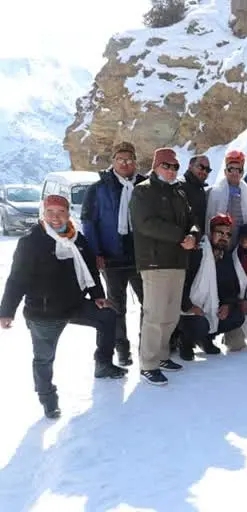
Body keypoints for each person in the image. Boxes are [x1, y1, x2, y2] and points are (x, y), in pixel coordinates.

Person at [0, 195, 127, 418]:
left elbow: (90, 270)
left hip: (74, 304)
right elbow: (17, 279)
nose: (55, 218)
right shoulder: (32, 241)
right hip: (44, 311)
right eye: (50, 212)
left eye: (61, 212)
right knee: (44, 358)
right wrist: (7, 311)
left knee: (107, 316)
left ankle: (103, 364)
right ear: (43, 213)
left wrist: (97, 295)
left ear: (68, 214)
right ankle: (48, 399)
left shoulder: (78, 239)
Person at [130, 148, 200, 386]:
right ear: (156, 166)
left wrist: (193, 236)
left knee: (170, 315)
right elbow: (145, 224)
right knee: (154, 314)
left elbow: (193, 222)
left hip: (178, 261)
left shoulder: (179, 192)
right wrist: (182, 235)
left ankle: (161, 356)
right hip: (155, 261)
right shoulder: (142, 191)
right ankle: (148, 364)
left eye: (174, 167)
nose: (171, 171)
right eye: (166, 166)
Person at [81, 141, 147, 367]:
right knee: (116, 307)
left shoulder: (143, 185)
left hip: (141, 257)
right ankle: (122, 350)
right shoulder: (99, 188)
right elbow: (89, 222)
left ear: (135, 161)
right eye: (121, 159)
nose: (125, 163)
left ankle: (146, 347)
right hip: (111, 257)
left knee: (148, 305)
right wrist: (95, 253)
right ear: (113, 161)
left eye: (129, 159)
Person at [177, 214, 245, 360]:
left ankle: (206, 338)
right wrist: (189, 306)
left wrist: (227, 304)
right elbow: (179, 283)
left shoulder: (225, 257)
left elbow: (232, 287)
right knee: (200, 324)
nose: (224, 237)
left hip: (211, 308)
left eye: (228, 234)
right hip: (187, 309)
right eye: (220, 233)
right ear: (211, 233)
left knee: (236, 316)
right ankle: (185, 341)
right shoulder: (196, 253)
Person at [206, 150, 247, 245]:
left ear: (242, 173)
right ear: (225, 171)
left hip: (242, 247)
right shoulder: (212, 192)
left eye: (238, 170)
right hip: (219, 245)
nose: (234, 173)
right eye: (231, 169)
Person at [180, 154, 212, 229]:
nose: (204, 171)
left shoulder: (200, 189)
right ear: (190, 166)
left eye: (207, 170)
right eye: (201, 167)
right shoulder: (180, 186)